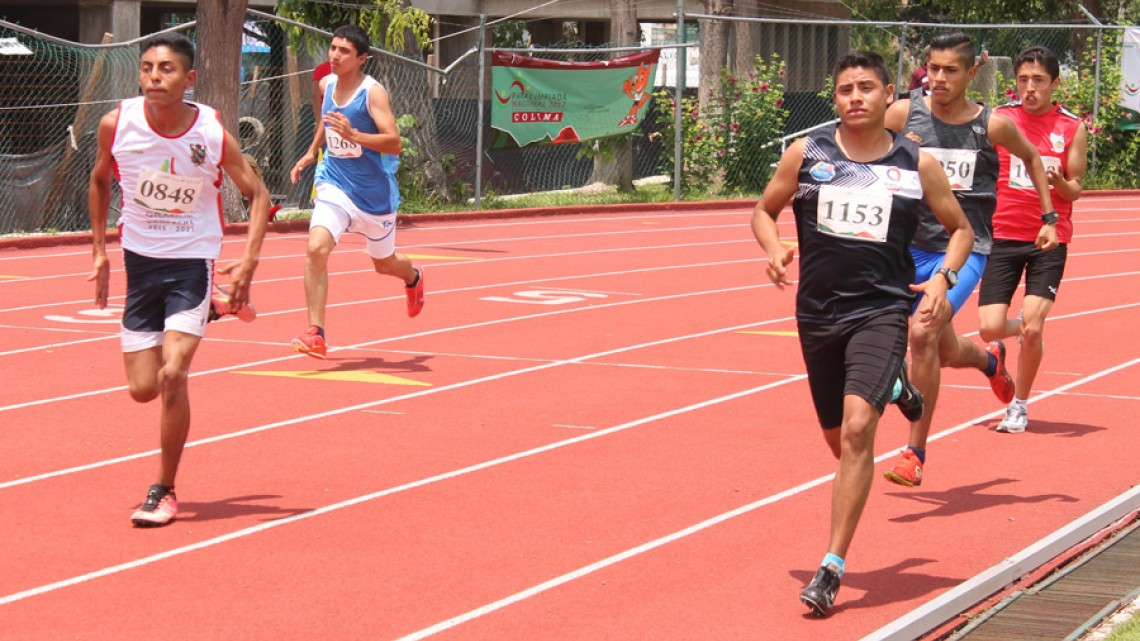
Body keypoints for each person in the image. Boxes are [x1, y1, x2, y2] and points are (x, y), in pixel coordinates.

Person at [752, 50, 973, 617]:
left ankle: (831, 566)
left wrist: (944, 281)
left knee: (856, 433)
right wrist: (775, 247)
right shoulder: (808, 153)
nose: (855, 97)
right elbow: (763, 210)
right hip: (817, 315)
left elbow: (961, 231)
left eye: (867, 87)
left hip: (879, 311)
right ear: (835, 98)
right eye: (845, 88)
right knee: (838, 442)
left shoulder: (915, 163)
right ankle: (897, 388)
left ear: (888, 95)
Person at [88, 33, 270, 527]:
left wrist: (249, 260)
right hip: (139, 263)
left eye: (166, 69)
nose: (153, 77)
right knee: (141, 389)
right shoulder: (116, 124)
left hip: (192, 260)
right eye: (147, 67)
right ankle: (216, 306)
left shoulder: (209, 132)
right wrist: (100, 251)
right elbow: (101, 180)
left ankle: (163, 489)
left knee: (173, 375)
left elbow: (257, 194)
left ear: (189, 79)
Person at [881, 32, 1057, 487]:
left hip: (964, 247)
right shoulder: (902, 113)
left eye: (950, 71)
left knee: (921, 334)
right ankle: (989, 361)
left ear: (971, 73)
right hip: (906, 246)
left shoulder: (991, 125)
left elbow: (1034, 159)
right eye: (933, 69)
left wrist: (1049, 217)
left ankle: (914, 452)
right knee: (939, 345)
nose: (939, 79)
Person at [289, 25, 423, 359]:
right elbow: (327, 119)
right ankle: (315, 333)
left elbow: (394, 142)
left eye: (344, 51)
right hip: (335, 183)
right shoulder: (326, 84)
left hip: (374, 195)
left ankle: (414, 277)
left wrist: (355, 135)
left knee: (384, 264)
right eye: (333, 48)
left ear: (362, 58)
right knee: (316, 248)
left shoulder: (373, 93)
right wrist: (310, 151)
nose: (334, 55)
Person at [978, 46, 1087, 433]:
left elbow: (1076, 188)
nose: (1030, 88)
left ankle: (1019, 406)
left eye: (1038, 80)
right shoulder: (1001, 119)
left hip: (1049, 239)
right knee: (989, 328)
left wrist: (1062, 185)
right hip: (1002, 234)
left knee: (1035, 327)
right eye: (1023, 79)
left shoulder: (1072, 127)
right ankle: (1015, 334)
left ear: (1055, 84)